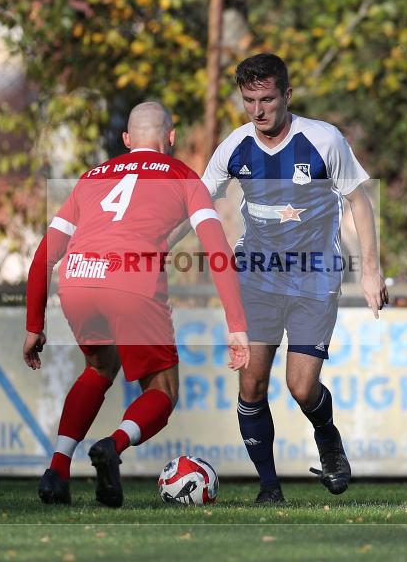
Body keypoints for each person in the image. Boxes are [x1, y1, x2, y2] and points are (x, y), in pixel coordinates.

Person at [173, 53, 388, 503]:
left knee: (301, 386)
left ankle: (327, 437)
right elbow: (196, 203)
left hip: (314, 278)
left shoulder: (323, 139)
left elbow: (360, 201)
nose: (258, 110)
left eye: (267, 99)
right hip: (256, 277)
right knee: (251, 383)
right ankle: (269, 488)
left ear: (287, 95)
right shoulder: (234, 146)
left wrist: (371, 270)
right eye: (249, 99)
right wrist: (155, 248)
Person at [23, 102, 250, 508]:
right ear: (172, 138)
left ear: (127, 141)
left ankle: (57, 470)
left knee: (99, 368)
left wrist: (33, 323)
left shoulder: (92, 177)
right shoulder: (183, 176)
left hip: (77, 280)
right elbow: (217, 251)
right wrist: (236, 324)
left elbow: (44, 255)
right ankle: (113, 446)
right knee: (163, 389)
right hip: (131, 283)